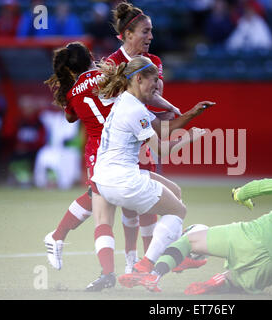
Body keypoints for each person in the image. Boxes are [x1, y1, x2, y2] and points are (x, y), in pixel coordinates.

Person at [43, 41, 212, 271]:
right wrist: (177, 112)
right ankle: (130, 263)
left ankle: (136, 263)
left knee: (120, 204)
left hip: (111, 145)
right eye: (145, 31)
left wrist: (72, 87)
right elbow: (154, 117)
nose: (150, 36)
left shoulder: (74, 92)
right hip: (113, 146)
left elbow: (71, 117)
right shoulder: (111, 77)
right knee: (105, 203)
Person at [118, 158, 272, 294]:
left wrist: (240, 194)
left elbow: (262, 186)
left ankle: (153, 275)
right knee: (237, 284)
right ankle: (223, 282)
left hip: (254, 236)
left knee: (190, 238)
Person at [86, 55, 214, 291]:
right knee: (178, 210)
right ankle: (145, 267)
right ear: (138, 78)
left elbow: (160, 129)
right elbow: (161, 151)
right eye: (154, 81)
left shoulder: (124, 101)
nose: (157, 86)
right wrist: (190, 137)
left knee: (175, 191)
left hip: (104, 180)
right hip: (122, 181)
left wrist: (189, 114)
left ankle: (172, 253)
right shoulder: (136, 110)